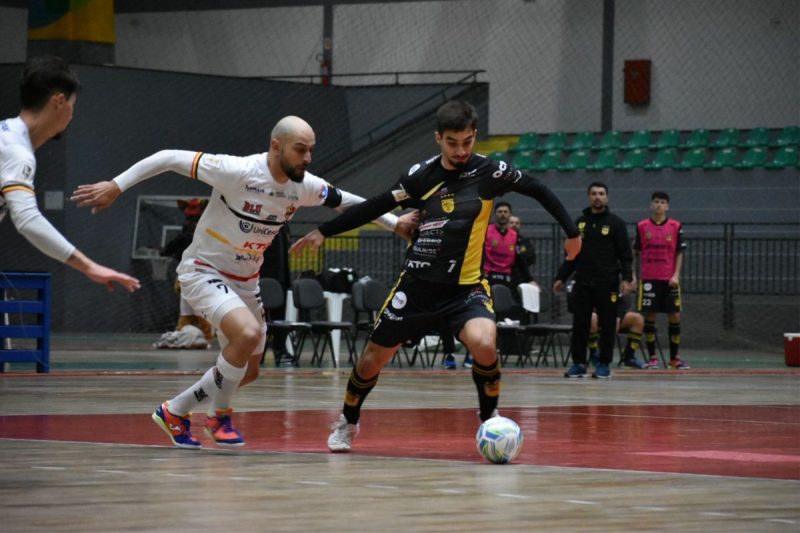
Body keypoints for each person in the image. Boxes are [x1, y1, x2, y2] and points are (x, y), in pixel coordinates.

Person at [71, 115, 416, 449]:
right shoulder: (238, 171)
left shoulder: (304, 186)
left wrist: (393, 223)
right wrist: (117, 185)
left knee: (247, 371)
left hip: (246, 282)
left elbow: (347, 202)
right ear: (275, 145)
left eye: (311, 149)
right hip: (203, 271)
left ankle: (174, 411)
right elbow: (168, 157)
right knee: (246, 335)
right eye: (300, 149)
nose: (307, 157)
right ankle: (219, 416)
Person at [290, 100, 581, 452]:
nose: (461, 151)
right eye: (453, 143)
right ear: (438, 138)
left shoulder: (490, 172)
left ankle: (490, 419)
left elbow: (538, 188)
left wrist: (572, 233)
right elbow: (376, 205)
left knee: (486, 344)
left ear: (474, 136)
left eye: (468, 142)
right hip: (417, 288)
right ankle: (348, 421)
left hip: (467, 289)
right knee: (371, 360)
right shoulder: (420, 177)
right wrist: (326, 231)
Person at [0, 56, 140, 293]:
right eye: (72, 106)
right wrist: (89, 266)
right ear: (59, 101)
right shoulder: (16, 150)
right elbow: (27, 220)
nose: (72, 116)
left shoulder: (7, 135)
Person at [553, 182, 632, 379]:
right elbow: (571, 255)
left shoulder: (616, 224)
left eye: (601, 193)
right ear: (589, 196)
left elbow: (625, 254)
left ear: (607, 197)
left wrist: (627, 278)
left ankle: (603, 364)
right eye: (594, 193)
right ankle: (579, 364)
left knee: (607, 325)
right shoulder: (579, 223)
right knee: (580, 324)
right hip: (583, 282)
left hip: (607, 283)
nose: (597, 197)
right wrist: (561, 277)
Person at [633, 191, 689, 369]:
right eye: (656, 202)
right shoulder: (642, 226)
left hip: (668, 279)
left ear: (667, 206)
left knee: (675, 315)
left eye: (662, 202)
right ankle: (653, 358)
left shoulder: (675, 225)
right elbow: (635, 252)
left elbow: (679, 252)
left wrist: (676, 275)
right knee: (649, 315)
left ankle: (674, 358)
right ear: (651, 205)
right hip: (649, 278)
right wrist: (634, 275)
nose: (659, 205)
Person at [153, 198, 215, 349]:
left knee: (196, 308)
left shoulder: (201, 231)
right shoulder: (193, 231)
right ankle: (185, 334)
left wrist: (166, 250)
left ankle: (201, 336)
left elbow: (177, 244)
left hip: (199, 274)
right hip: (189, 273)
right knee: (190, 308)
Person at [483, 201, 534, 291]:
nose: (503, 214)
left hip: (507, 277)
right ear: (495, 214)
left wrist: (530, 279)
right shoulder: (487, 231)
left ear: (510, 214)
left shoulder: (514, 236)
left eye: (505, 212)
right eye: (500, 211)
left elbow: (520, 259)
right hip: (488, 275)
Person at [587, 294, 647, 369]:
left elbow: (621, 304)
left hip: (612, 317)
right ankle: (594, 354)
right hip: (596, 317)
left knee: (638, 319)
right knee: (592, 317)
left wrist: (618, 318)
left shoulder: (612, 284)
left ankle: (629, 357)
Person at [508, 214, 537, 290]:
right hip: (507, 275)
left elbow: (531, 258)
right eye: (511, 223)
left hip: (521, 277)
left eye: (517, 223)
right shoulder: (503, 240)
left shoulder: (524, 241)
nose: (514, 225)